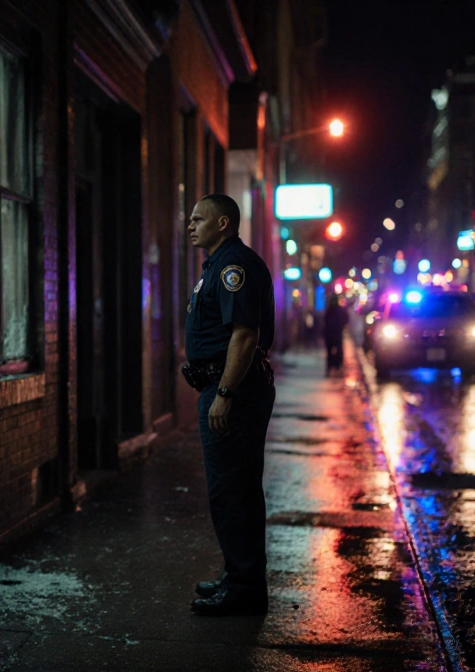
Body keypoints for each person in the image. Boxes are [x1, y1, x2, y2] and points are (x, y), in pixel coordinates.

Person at [182, 194, 276, 617]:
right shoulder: (218, 265)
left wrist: (224, 394)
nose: (190, 225)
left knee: (231, 492)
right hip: (229, 387)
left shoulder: (233, 266)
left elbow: (244, 334)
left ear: (223, 223)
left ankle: (244, 589)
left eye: (198, 219)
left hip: (234, 390)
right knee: (235, 490)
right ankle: (240, 576)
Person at [322, 297, 349, 376]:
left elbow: (325, 321)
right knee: (338, 351)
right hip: (336, 333)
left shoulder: (329, 311)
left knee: (330, 352)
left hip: (329, 334)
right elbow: (346, 320)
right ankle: (337, 367)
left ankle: (330, 368)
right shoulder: (340, 310)